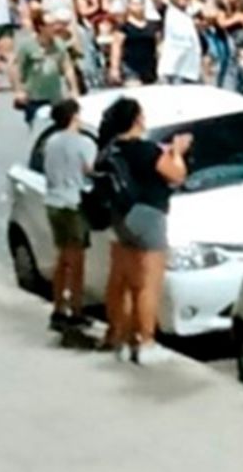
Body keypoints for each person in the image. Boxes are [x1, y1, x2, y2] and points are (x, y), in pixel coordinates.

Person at [98, 96, 191, 365]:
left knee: (125, 282)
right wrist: (176, 151)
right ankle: (146, 342)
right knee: (149, 284)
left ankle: (123, 337)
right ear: (137, 119)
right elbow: (176, 175)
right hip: (148, 216)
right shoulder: (147, 150)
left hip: (121, 216)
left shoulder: (111, 149)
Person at [43, 98, 96, 332]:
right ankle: (76, 309)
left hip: (53, 202)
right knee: (77, 261)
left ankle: (58, 307)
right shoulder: (84, 143)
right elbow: (90, 170)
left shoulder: (50, 142)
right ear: (74, 116)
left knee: (62, 258)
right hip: (74, 203)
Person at [14, 12, 78, 127]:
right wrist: (19, 91)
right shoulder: (27, 45)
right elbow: (17, 68)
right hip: (34, 97)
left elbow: (67, 67)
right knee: (35, 129)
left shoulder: (59, 44)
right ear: (41, 27)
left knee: (57, 127)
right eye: (51, 25)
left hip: (55, 97)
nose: (55, 28)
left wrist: (73, 89)